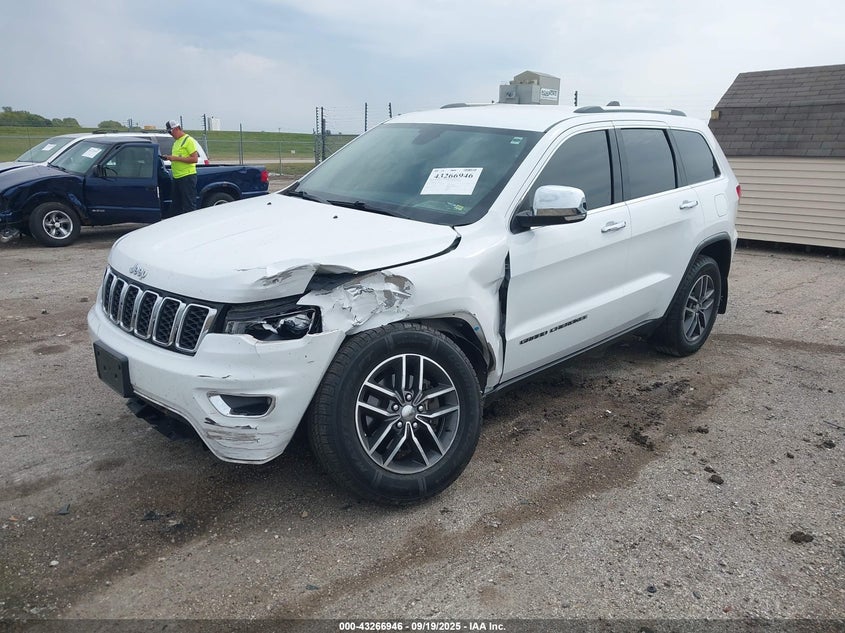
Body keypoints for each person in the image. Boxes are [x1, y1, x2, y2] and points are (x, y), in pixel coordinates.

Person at [161, 119, 200, 216]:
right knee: (176, 205)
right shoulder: (176, 142)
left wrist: (175, 158)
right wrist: (170, 158)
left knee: (188, 205)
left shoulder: (188, 140)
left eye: (170, 132)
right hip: (177, 177)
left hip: (187, 177)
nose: (171, 134)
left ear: (176, 129)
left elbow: (194, 159)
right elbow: (178, 158)